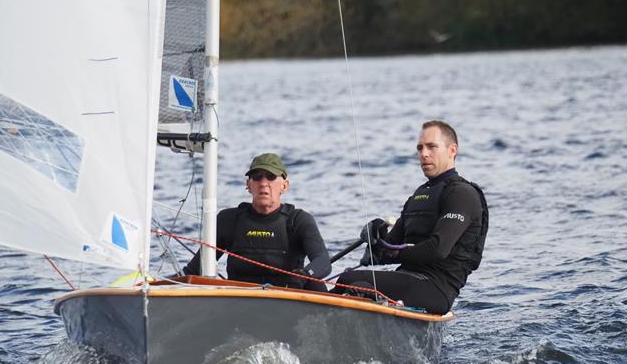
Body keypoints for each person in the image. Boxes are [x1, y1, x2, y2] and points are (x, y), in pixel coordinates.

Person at [335, 120, 488, 314]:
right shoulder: (418, 195)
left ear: (452, 150)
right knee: (343, 280)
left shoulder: (462, 194)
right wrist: (376, 238)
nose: (424, 154)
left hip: (437, 287)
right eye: (420, 148)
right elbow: (387, 250)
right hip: (409, 278)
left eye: (432, 147)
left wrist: (394, 252)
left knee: (350, 281)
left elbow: (437, 250)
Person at [182, 153, 331, 291]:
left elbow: (323, 262)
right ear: (248, 185)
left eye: (271, 177)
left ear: (284, 186)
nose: (263, 183)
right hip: (240, 301)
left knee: (316, 284)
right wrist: (161, 285)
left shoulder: (298, 220)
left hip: (287, 298)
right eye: (257, 177)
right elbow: (194, 270)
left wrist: (304, 274)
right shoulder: (229, 219)